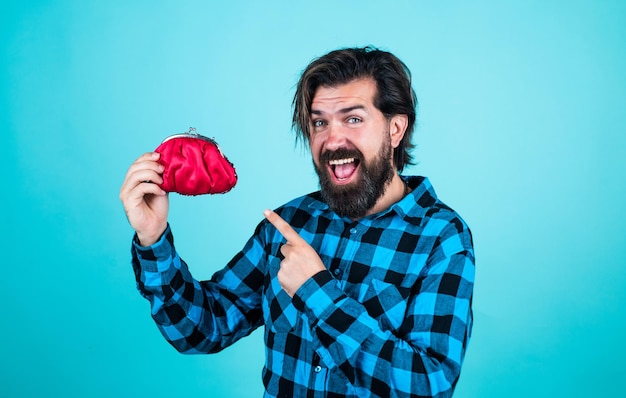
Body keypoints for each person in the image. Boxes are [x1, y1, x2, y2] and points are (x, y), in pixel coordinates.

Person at [120, 46, 475, 398]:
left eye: (353, 119)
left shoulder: (441, 238)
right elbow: (202, 329)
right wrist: (153, 239)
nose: (332, 140)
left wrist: (315, 291)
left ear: (395, 129)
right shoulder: (288, 223)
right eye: (320, 122)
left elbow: (429, 385)